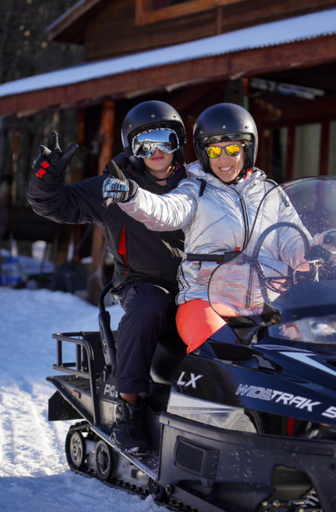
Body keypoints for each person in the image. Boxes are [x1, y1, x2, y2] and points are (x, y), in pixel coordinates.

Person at [103, 102, 336, 352]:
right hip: (207, 301)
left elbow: (293, 243)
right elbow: (164, 212)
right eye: (214, 152)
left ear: (247, 150)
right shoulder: (195, 190)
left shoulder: (269, 193)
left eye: (232, 149)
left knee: (309, 354)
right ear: (204, 154)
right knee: (223, 353)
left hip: (268, 304)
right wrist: (133, 196)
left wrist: (323, 244)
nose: (224, 159)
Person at [27, 100, 187, 454]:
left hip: (200, 283)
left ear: (180, 142)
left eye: (165, 140)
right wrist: (45, 180)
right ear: (132, 147)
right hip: (142, 281)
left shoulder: (196, 183)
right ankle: (129, 412)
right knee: (148, 309)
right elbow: (54, 205)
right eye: (146, 144)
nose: (157, 151)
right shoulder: (114, 186)